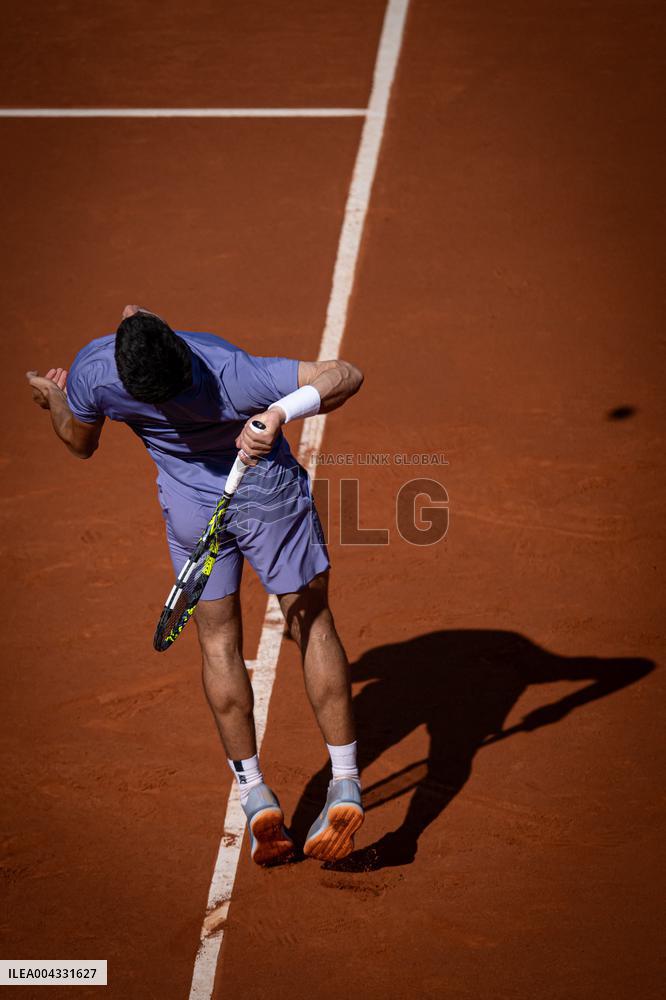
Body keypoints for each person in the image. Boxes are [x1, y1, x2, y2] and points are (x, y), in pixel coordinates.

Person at [26, 305, 365, 866]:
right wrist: (277, 414)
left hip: (190, 513)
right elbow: (344, 374)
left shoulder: (95, 370)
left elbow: (78, 441)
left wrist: (52, 398)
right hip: (268, 498)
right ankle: (346, 783)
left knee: (217, 645)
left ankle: (255, 795)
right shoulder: (228, 371)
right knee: (312, 625)